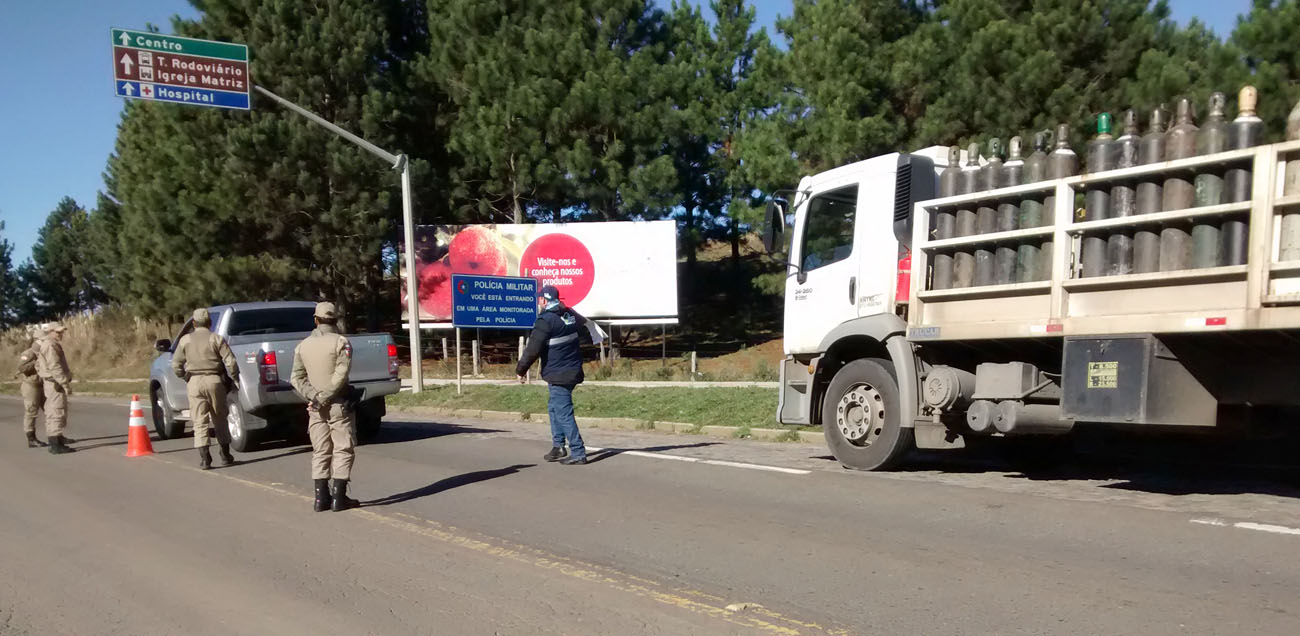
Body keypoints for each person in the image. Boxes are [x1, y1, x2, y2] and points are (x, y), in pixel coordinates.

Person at [516, 285, 600, 466]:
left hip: (559, 372)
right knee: (554, 408)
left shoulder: (545, 321)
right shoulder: (569, 315)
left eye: (540, 299)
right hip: (571, 369)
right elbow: (584, 329)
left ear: (544, 300)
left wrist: (521, 370)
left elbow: (532, 350)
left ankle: (578, 452)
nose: (539, 302)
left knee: (563, 412)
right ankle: (558, 446)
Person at [290, 302, 359, 512]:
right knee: (342, 448)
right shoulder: (341, 342)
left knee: (320, 450)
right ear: (335, 319)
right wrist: (327, 396)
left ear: (316, 320)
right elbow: (341, 373)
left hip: (315, 406)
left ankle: (320, 499)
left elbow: (296, 377)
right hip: (337, 404)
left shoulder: (302, 346)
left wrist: (314, 396)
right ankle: (339, 497)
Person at [172, 308, 240, 470]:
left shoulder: (185, 340)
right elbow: (230, 362)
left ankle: (205, 458)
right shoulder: (216, 338)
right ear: (210, 323)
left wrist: (184, 376)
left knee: (199, 420)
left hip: (194, 382)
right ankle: (225, 454)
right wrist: (234, 378)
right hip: (214, 379)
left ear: (194, 323)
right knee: (219, 417)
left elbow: (176, 364)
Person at [36, 322, 74, 455]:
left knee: (57, 410)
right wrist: (64, 383)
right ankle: (54, 444)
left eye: (61, 332)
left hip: (55, 382)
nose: (61, 334)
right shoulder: (50, 345)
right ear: (50, 332)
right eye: (58, 332)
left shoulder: (52, 344)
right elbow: (55, 367)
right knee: (55, 411)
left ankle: (57, 439)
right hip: (54, 383)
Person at [17, 324, 47, 448]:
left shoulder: (45, 351)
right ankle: (31, 438)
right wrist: (35, 362)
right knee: (31, 411)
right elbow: (21, 367)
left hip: (43, 384)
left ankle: (56, 435)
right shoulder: (28, 353)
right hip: (31, 385)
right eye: (43, 340)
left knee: (51, 410)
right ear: (38, 340)